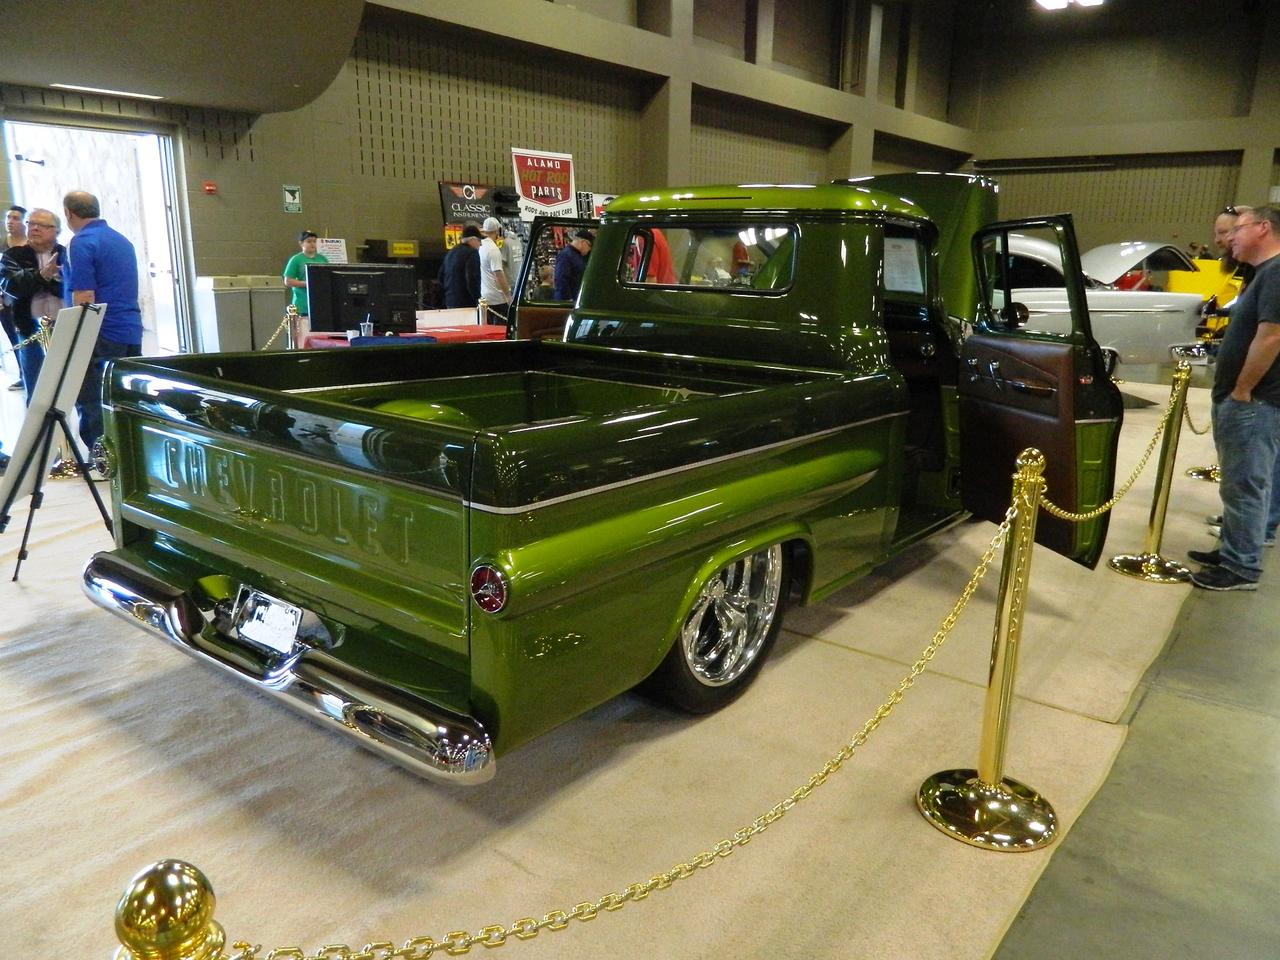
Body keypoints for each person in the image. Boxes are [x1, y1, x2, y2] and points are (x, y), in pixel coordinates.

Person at [1188, 205, 1280, 591]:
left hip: (1253, 402)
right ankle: (1233, 549)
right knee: (1240, 482)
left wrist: (1242, 389)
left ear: (1263, 228)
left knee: (1244, 485)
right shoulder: (1264, 273)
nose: (1229, 238)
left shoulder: (1275, 273)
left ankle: (1241, 567)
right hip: (1250, 400)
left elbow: (1272, 336)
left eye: (1237, 229)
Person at [63, 190, 144, 453]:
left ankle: (103, 458)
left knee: (92, 398)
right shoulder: (122, 241)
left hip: (101, 333)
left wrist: (77, 341)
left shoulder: (81, 242)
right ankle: (128, 454)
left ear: (68, 213)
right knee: (124, 395)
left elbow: (85, 297)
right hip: (130, 330)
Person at [0, 208, 67, 405]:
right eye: (32, 224)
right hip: (29, 328)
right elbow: (12, 285)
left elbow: (73, 286)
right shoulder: (13, 255)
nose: (35, 228)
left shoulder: (66, 254)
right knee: (35, 385)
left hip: (63, 326)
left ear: (56, 230)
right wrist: (42, 275)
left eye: (43, 225)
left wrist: (52, 279)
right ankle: (38, 422)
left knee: (68, 384)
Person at [2, 204, 29, 391]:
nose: (10, 221)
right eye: (8, 217)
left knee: (30, 338)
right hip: (5, 301)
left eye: (16, 218)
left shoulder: (31, 246)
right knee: (14, 339)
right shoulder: (2, 245)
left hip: (28, 301)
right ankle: (23, 374)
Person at [282, 230, 328, 317]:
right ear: (301, 243)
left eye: (314, 241)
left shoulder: (322, 259)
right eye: (309, 241)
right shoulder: (296, 259)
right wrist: (307, 284)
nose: (312, 244)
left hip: (320, 303)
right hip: (302, 304)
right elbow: (287, 281)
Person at [438, 224, 482, 308]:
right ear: (473, 239)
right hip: (466, 302)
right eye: (479, 241)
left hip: (450, 302)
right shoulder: (472, 253)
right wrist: (477, 299)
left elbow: (440, 277)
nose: (480, 244)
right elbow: (472, 278)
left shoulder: (451, 252)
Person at [478, 217, 512, 322]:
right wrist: (508, 296)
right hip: (497, 298)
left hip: (484, 296)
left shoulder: (480, 246)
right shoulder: (493, 250)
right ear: (497, 231)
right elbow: (498, 275)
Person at [552, 229, 593, 301]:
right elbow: (561, 278)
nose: (589, 249)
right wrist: (568, 299)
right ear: (583, 242)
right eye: (589, 246)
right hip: (567, 301)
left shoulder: (575, 255)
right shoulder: (566, 255)